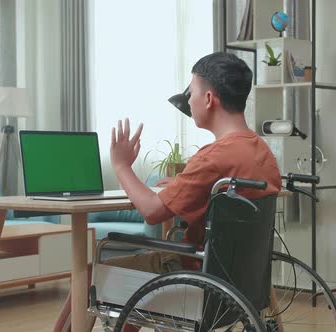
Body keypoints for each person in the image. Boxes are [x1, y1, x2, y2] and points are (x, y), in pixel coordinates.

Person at [107, 52, 282, 274]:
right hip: (243, 274)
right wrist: (182, 183)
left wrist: (121, 165)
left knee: (89, 272)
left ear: (208, 99)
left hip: (196, 272)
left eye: (191, 92)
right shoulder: (262, 151)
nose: (188, 100)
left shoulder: (212, 157)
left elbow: (152, 212)